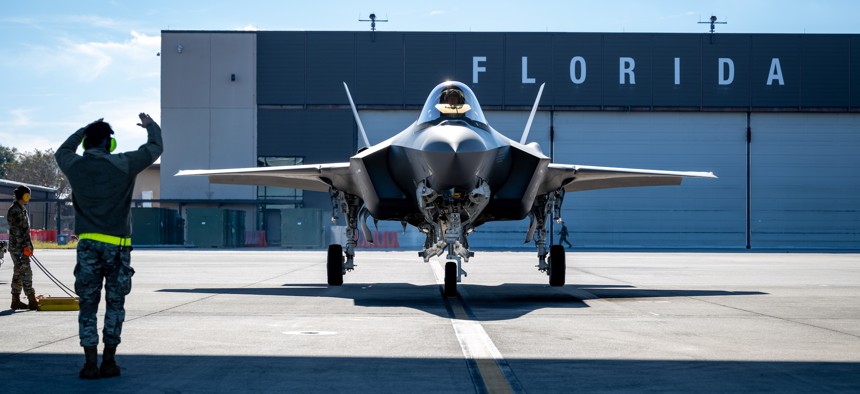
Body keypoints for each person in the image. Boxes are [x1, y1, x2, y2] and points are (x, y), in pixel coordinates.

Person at [55, 114, 163, 379]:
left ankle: (90, 364)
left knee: (88, 306)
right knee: (115, 305)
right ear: (109, 143)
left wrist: (82, 130)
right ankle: (109, 362)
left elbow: (62, 151)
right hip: (117, 249)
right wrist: (150, 127)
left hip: (88, 246)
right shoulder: (123, 163)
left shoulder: (75, 165)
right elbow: (155, 148)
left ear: (85, 143)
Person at [7, 185, 38, 311]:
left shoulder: (21, 209)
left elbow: (25, 231)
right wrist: (25, 246)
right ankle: (31, 299)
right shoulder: (15, 210)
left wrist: (29, 246)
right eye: (28, 195)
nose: (29, 198)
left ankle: (15, 301)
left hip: (21, 247)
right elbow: (17, 231)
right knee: (26, 272)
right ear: (24, 195)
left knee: (18, 273)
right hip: (18, 248)